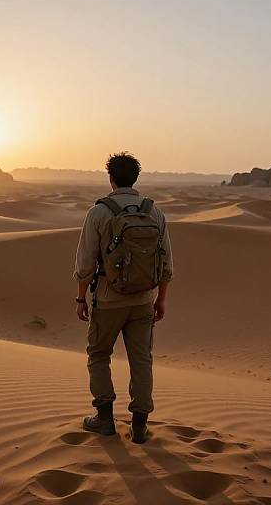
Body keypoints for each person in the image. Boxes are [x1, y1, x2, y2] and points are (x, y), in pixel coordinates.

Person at [73, 152, 173, 444]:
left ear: (111, 178)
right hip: (143, 301)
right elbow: (167, 265)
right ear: (136, 178)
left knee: (99, 355)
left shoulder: (99, 212)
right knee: (141, 360)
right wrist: (161, 299)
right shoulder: (154, 212)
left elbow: (84, 264)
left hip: (108, 300)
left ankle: (104, 420)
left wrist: (80, 299)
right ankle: (140, 425)